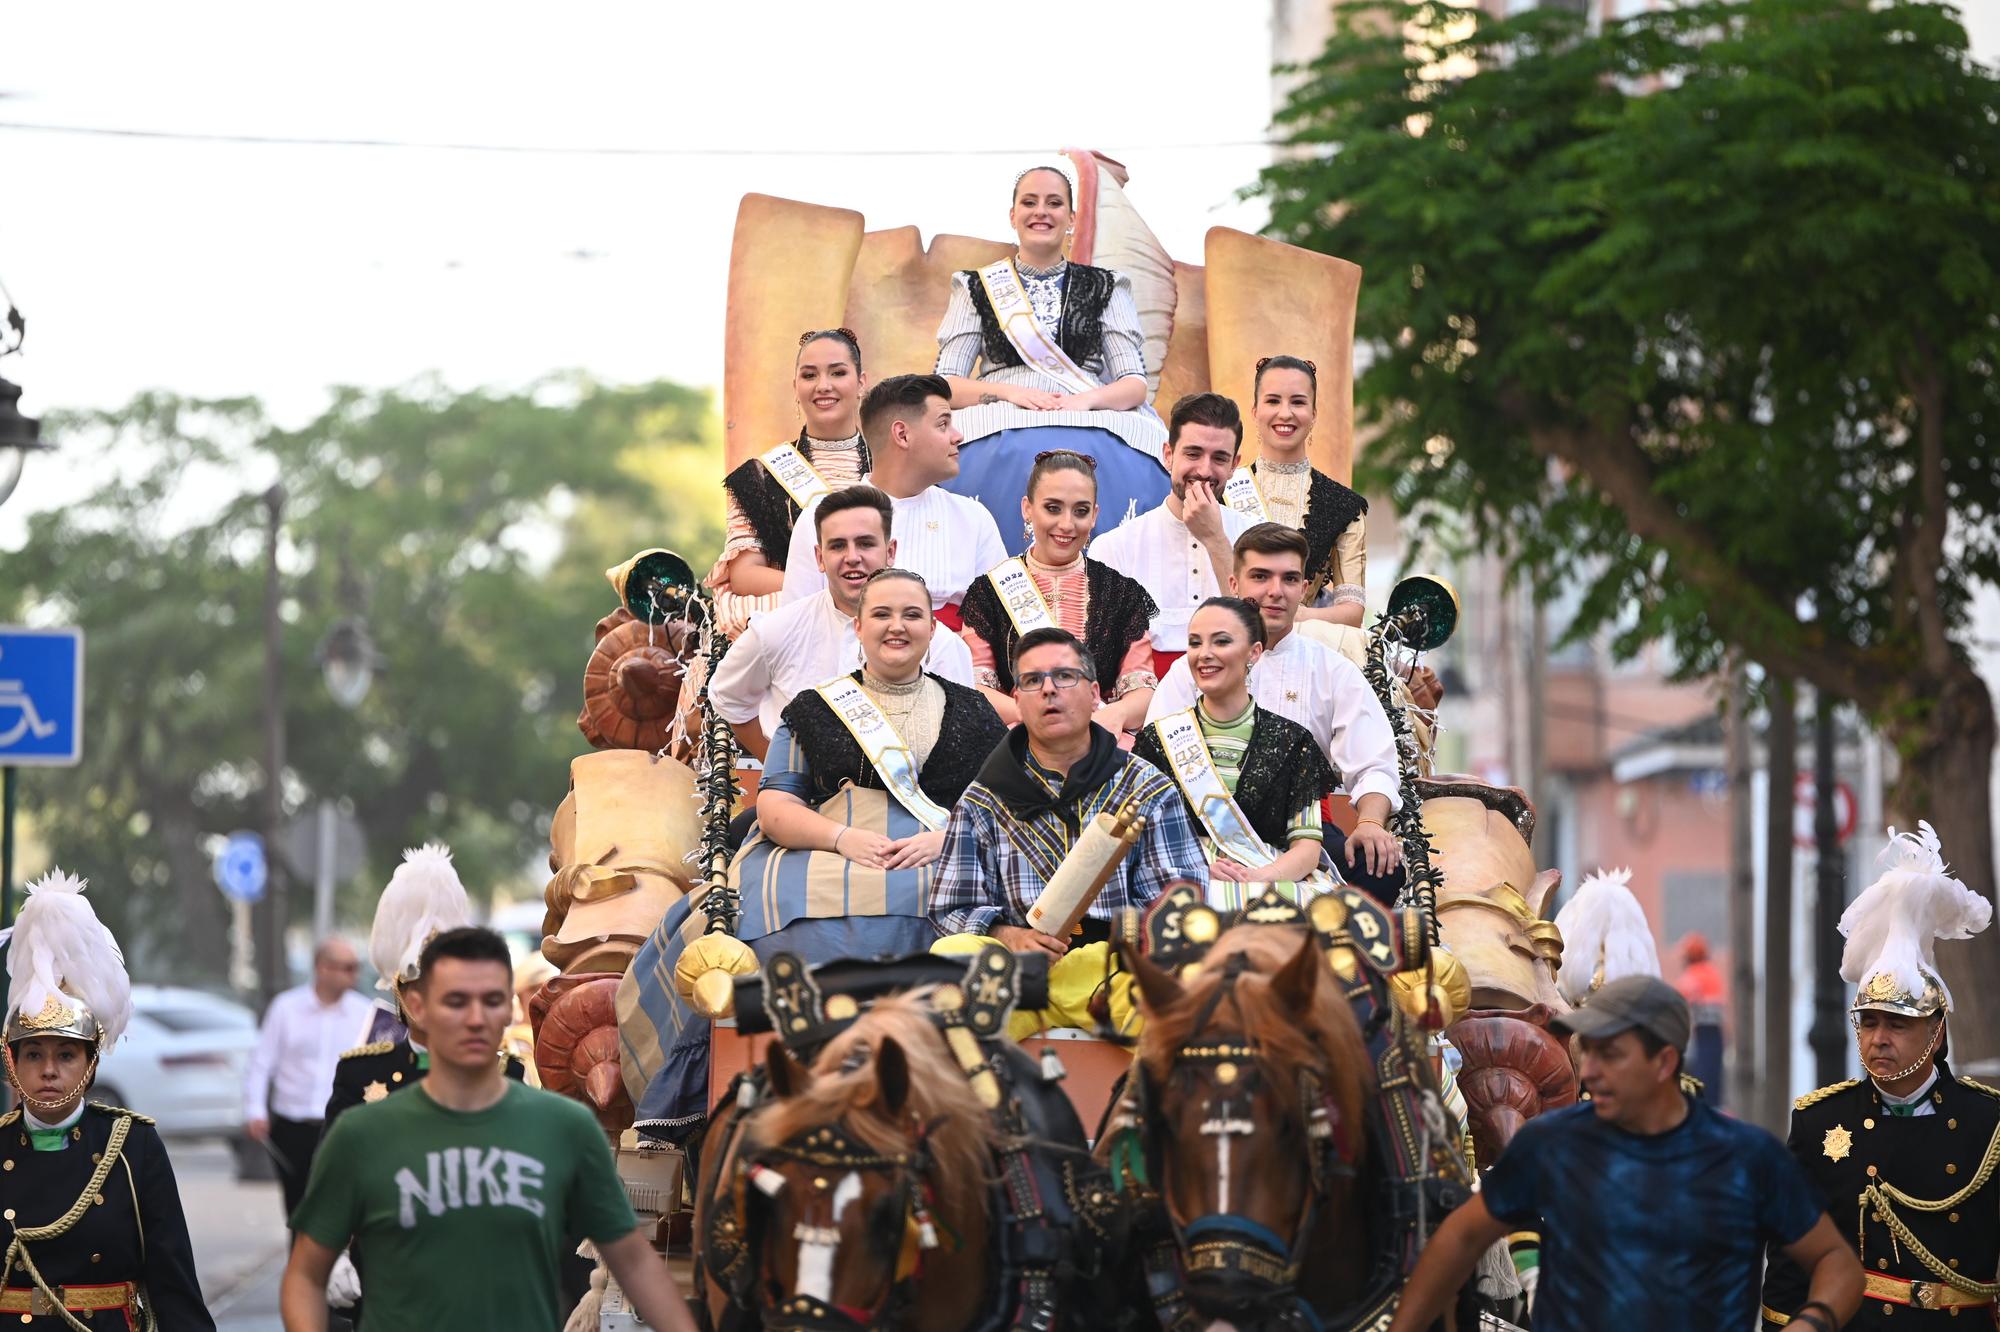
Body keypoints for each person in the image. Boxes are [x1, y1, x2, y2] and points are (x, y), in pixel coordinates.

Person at [623, 569, 1007, 1135]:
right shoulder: (815, 708)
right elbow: (777, 807)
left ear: (932, 631)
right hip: (823, 841)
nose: (896, 627)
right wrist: (843, 838)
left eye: (911, 615)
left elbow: (998, 808)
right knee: (736, 913)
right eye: (881, 614)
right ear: (858, 626)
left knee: (958, 899)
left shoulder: (974, 712)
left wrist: (946, 839)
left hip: (938, 849)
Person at [1386, 975, 1864, 1332]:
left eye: (1609, 1055)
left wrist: (1809, 1325)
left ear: (1665, 1062)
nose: (1588, 1072)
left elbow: (1836, 1263)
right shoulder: (1548, 1146)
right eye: (1586, 1052)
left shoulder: (1747, 1158)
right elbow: (1461, 1238)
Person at [282, 927, 699, 1332]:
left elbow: (634, 1262)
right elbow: (304, 1275)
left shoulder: (565, 1129)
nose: (476, 1018)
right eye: (457, 1001)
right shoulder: (361, 1134)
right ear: (418, 1007)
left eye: (492, 1000)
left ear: (510, 1009)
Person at [1761, 821, 1998, 1329]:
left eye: (1897, 1024)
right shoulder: (1820, 1122)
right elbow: (1788, 1263)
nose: (1878, 1038)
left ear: (1936, 1035)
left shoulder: (1988, 1124)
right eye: (1868, 1022)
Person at [929, 627, 1207, 1033]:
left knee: (1182, 989)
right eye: (1031, 680)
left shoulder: (1146, 787)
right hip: (1015, 973)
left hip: (1110, 971)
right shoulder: (984, 796)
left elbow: (1178, 901)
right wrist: (1007, 934)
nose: (1048, 690)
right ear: (1018, 701)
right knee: (950, 957)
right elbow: (949, 908)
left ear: (1095, 693)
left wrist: (1114, 948)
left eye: (1064, 676)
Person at [1146, 523, 1404, 901]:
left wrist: (1368, 822)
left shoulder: (1332, 670)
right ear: (1234, 584)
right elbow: (1154, 766)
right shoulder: (1191, 669)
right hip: (1201, 833)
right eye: (1260, 577)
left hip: (1303, 833)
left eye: (1289, 579)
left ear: (1303, 589)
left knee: (1379, 864)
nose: (1275, 591)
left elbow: (1374, 765)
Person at [0, 869, 212, 1330]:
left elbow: (174, 1285)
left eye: (66, 1054)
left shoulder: (133, 1146)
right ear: (11, 1062)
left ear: (90, 1064)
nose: (50, 1069)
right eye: (34, 1053)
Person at [320, 844, 524, 1318]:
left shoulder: (506, 1071)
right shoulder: (361, 1073)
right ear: (402, 996)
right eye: (416, 992)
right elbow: (332, 1178)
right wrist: (331, 1253)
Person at [933, 163, 1169, 550]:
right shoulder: (975, 286)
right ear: (1013, 215)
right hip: (1000, 410)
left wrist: (1085, 401)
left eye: (1054, 203)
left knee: (1135, 454)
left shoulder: (1107, 286)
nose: (1041, 211)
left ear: (1071, 217)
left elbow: (1134, 384)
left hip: (1089, 407)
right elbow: (942, 385)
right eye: (1030, 202)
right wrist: (1008, 393)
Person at [709, 483, 975, 761]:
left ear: (891, 551)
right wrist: (782, 773)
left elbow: (963, 742)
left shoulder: (941, 644)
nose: (852, 558)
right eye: (838, 546)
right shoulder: (777, 631)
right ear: (820, 558)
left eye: (865, 544)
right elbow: (728, 697)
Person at [1132, 596, 1337, 902]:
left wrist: (1257, 879)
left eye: (1221, 642)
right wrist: (1197, 868)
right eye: (1195, 643)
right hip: (1183, 880)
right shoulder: (1159, 741)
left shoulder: (1294, 743)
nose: (1204, 655)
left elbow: (1306, 848)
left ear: (1254, 652)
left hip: (1270, 879)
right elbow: (1142, 837)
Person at [779, 374, 1008, 626]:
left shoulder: (973, 517)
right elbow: (796, 625)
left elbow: (1001, 625)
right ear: (902, 434)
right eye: (943, 425)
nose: (958, 436)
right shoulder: (819, 518)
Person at [955, 448, 1158, 733]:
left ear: (1095, 515)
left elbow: (1143, 689)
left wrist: (1115, 715)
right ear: (1027, 508)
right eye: (1053, 508)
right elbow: (976, 688)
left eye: (1081, 511)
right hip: (1016, 738)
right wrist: (1032, 713)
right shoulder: (990, 592)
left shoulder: (1120, 593)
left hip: (1098, 738)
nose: (1067, 524)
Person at [709, 328, 872, 634]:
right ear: (795, 386)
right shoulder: (760, 476)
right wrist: (832, 589)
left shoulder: (891, 465)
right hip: (795, 618)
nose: (823, 386)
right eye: (809, 376)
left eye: (837, 373)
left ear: (861, 382)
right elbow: (745, 574)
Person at [1088, 392, 1257, 678]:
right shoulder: (1115, 547)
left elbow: (1260, 634)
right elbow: (1100, 657)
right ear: (1168, 455)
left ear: (1234, 465)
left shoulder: (1255, 537)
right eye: (1193, 454)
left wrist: (1215, 539)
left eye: (1219, 458)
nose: (1204, 470)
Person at [1228, 355, 1369, 627]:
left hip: (1303, 651)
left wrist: (1294, 615)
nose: (1285, 413)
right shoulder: (1224, 489)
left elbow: (1352, 613)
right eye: (1273, 401)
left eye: (1298, 402)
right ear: (1255, 411)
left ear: (1314, 414)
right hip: (1229, 647)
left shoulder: (1344, 507)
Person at [243, 936, 374, 1227]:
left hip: (342, 1127)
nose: (354, 975)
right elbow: (262, 1063)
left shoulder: (363, 1013)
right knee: (298, 1210)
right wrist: (255, 1110)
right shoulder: (286, 1008)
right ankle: (300, 1269)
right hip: (292, 1126)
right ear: (323, 968)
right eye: (347, 967)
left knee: (340, 1209)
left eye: (356, 967)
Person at [1673, 931, 1726, 1105]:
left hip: (1702, 1031)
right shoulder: (1712, 972)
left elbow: (1676, 1000)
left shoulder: (1692, 975)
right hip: (1716, 1031)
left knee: (1702, 1073)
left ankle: (1704, 1106)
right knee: (1714, 1074)